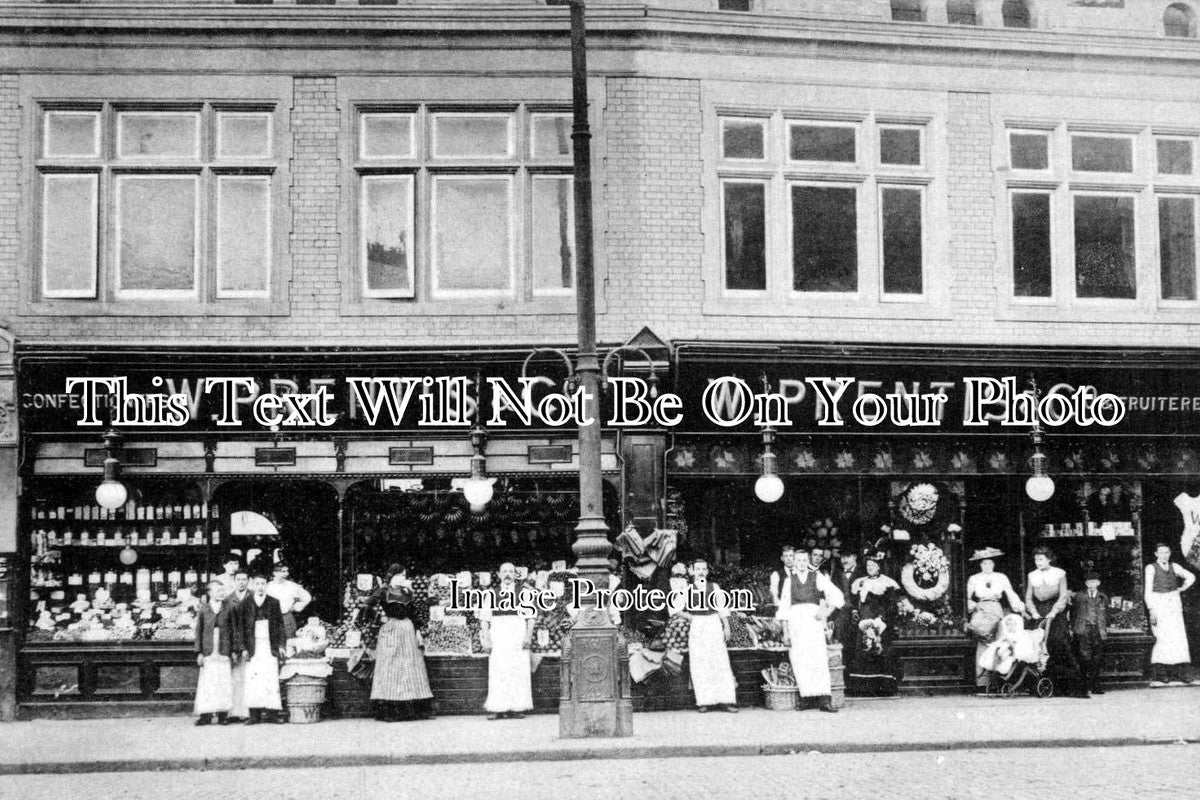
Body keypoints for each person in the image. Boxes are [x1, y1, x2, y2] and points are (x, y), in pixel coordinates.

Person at [778, 549, 844, 712]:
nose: (801, 563)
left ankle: (825, 700)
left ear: (807, 561)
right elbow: (784, 608)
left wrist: (825, 612)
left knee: (818, 658)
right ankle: (806, 698)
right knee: (800, 659)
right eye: (798, 560)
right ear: (793, 562)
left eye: (803, 560)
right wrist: (786, 632)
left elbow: (836, 595)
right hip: (796, 624)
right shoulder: (788, 581)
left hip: (813, 624)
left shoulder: (817, 577)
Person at [669, 559, 738, 713]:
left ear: (707, 571)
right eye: (697, 569)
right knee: (700, 662)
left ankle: (727, 700)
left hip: (713, 623)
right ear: (692, 571)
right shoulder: (686, 589)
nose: (701, 571)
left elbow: (722, 608)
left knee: (720, 660)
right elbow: (674, 609)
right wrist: (691, 617)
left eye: (703, 569)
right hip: (698, 625)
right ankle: (704, 701)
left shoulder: (714, 587)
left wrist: (726, 626)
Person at [1024, 547, 1088, 698]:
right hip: (1038, 614)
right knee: (1038, 647)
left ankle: (1070, 688)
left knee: (1058, 643)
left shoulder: (1059, 573)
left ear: (1049, 559)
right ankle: (1042, 686)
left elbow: (1063, 595)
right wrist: (1033, 611)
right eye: (1035, 559)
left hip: (1056, 613)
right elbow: (1028, 597)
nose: (1037, 562)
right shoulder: (1032, 575)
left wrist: (1055, 611)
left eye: (1041, 559)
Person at [479, 562, 535, 720]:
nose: (508, 574)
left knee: (518, 669)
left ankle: (518, 707)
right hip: (498, 633)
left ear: (515, 575)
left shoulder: (523, 592)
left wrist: (528, 636)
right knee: (499, 670)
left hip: (518, 631)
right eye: (504, 571)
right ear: (499, 574)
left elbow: (531, 617)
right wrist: (487, 639)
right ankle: (498, 707)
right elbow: (484, 620)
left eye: (511, 571)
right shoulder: (491, 593)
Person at [965, 548, 1024, 690]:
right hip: (981, 610)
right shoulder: (974, 578)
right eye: (984, 564)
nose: (987, 566)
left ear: (994, 564)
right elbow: (967, 597)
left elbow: (1010, 593)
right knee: (983, 642)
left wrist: (1019, 607)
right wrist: (974, 606)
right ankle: (982, 681)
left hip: (996, 609)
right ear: (980, 564)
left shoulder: (1001, 577)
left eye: (989, 563)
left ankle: (997, 681)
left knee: (998, 642)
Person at [370, 597, 434, 722]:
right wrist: (379, 618)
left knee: (408, 667)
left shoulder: (402, 593)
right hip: (395, 630)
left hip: (403, 631)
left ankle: (404, 710)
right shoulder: (388, 592)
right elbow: (367, 605)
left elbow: (367, 604)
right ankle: (395, 710)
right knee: (395, 668)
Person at [846, 552, 901, 697]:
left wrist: (882, 618)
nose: (870, 568)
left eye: (873, 565)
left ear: (879, 567)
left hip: (881, 618)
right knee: (863, 647)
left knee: (879, 647)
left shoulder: (887, 582)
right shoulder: (860, 582)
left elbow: (891, 604)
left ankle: (882, 687)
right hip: (864, 617)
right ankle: (862, 688)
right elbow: (854, 602)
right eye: (868, 565)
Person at [1144, 543, 1199, 687]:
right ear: (1156, 554)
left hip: (1173, 603)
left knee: (1178, 637)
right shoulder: (1151, 568)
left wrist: (1182, 588)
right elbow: (1148, 591)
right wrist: (1152, 610)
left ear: (1170, 553)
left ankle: (1182, 674)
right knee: (1162, 637)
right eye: (1161, 552)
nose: (1164, 555)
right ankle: (1162, 674)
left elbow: (1191, 577)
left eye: (1167, 552)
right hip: (1159, 603)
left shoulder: (1175, 567)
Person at [241, 574, 288, 724]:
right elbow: (241, 628)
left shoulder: (274, 602)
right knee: (253, 680)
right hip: (253, 646)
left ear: (266, 585)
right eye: (257, 584)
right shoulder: (246, 602)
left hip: (269, 646)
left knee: (270, 678)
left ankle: (272, 714)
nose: (260, 586)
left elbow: (280, 626)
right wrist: (243, 648)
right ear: (252, 585)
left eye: (263, 583)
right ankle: (254, 715)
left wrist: (281, 645)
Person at [193, 579, 235, 726]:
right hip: (209, 650)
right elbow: (199, 632)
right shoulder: (204, 610)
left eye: (223, 591)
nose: (221, 593)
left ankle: (223, 715)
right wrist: (199, 652)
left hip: (224, 650)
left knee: (223, 682)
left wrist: (234, 650)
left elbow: (234, 630)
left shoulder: (229, 608)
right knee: (208, 683)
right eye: (218, 591)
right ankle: (206, 715)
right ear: (210, 593)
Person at [1072, 571, 1109, 695]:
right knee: (1084, 657)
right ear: (1085, 583)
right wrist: (1074, 628)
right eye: (1089, 582)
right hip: (1083, 629)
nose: (1091, 584)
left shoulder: (1103, 597)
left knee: (1097, 658)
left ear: (1098, 583)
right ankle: (1083, 686)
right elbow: (1074, 613)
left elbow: (1106, 614)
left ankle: (1095, 685)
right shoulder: (1079, 596)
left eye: (1094, 581)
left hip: (1098, 630)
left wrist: (1103, 629)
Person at [223, 569, 253, 722]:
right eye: (238, 579)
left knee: (249, 678)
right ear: (234, 581)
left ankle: (248, 712)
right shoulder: (228, 599)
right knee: (234, 678)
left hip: (251, 643)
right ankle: (234, 712)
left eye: (244, 579)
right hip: (234, 643)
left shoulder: (254, 597)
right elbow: (228, 625)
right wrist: (234, 647)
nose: (241, 582)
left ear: (248, 580)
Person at [266, 562, 312, 640]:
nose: (286, 574)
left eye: (287, 571)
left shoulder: (291, 585)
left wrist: (296, 607)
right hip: (271, 619)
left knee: (289, 642)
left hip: (286, 618)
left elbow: (307, 597)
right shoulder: (268, 586)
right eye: (283, 571)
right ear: (275, 573)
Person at [831, 551, 866, 649]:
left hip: (859, 611)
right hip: (842, 611)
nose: (844, 560)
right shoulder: (837, 573)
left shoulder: (863, 572)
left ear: (855, 557)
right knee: (839, 636)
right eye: (842, 557)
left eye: (848, 556)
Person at [768, 545, 796, 613]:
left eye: (791, 555)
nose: (789, 558)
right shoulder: (776, 574)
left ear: (795, 557)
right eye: (786, 556)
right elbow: (774, 593)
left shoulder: (801, 572)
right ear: (782, 558)